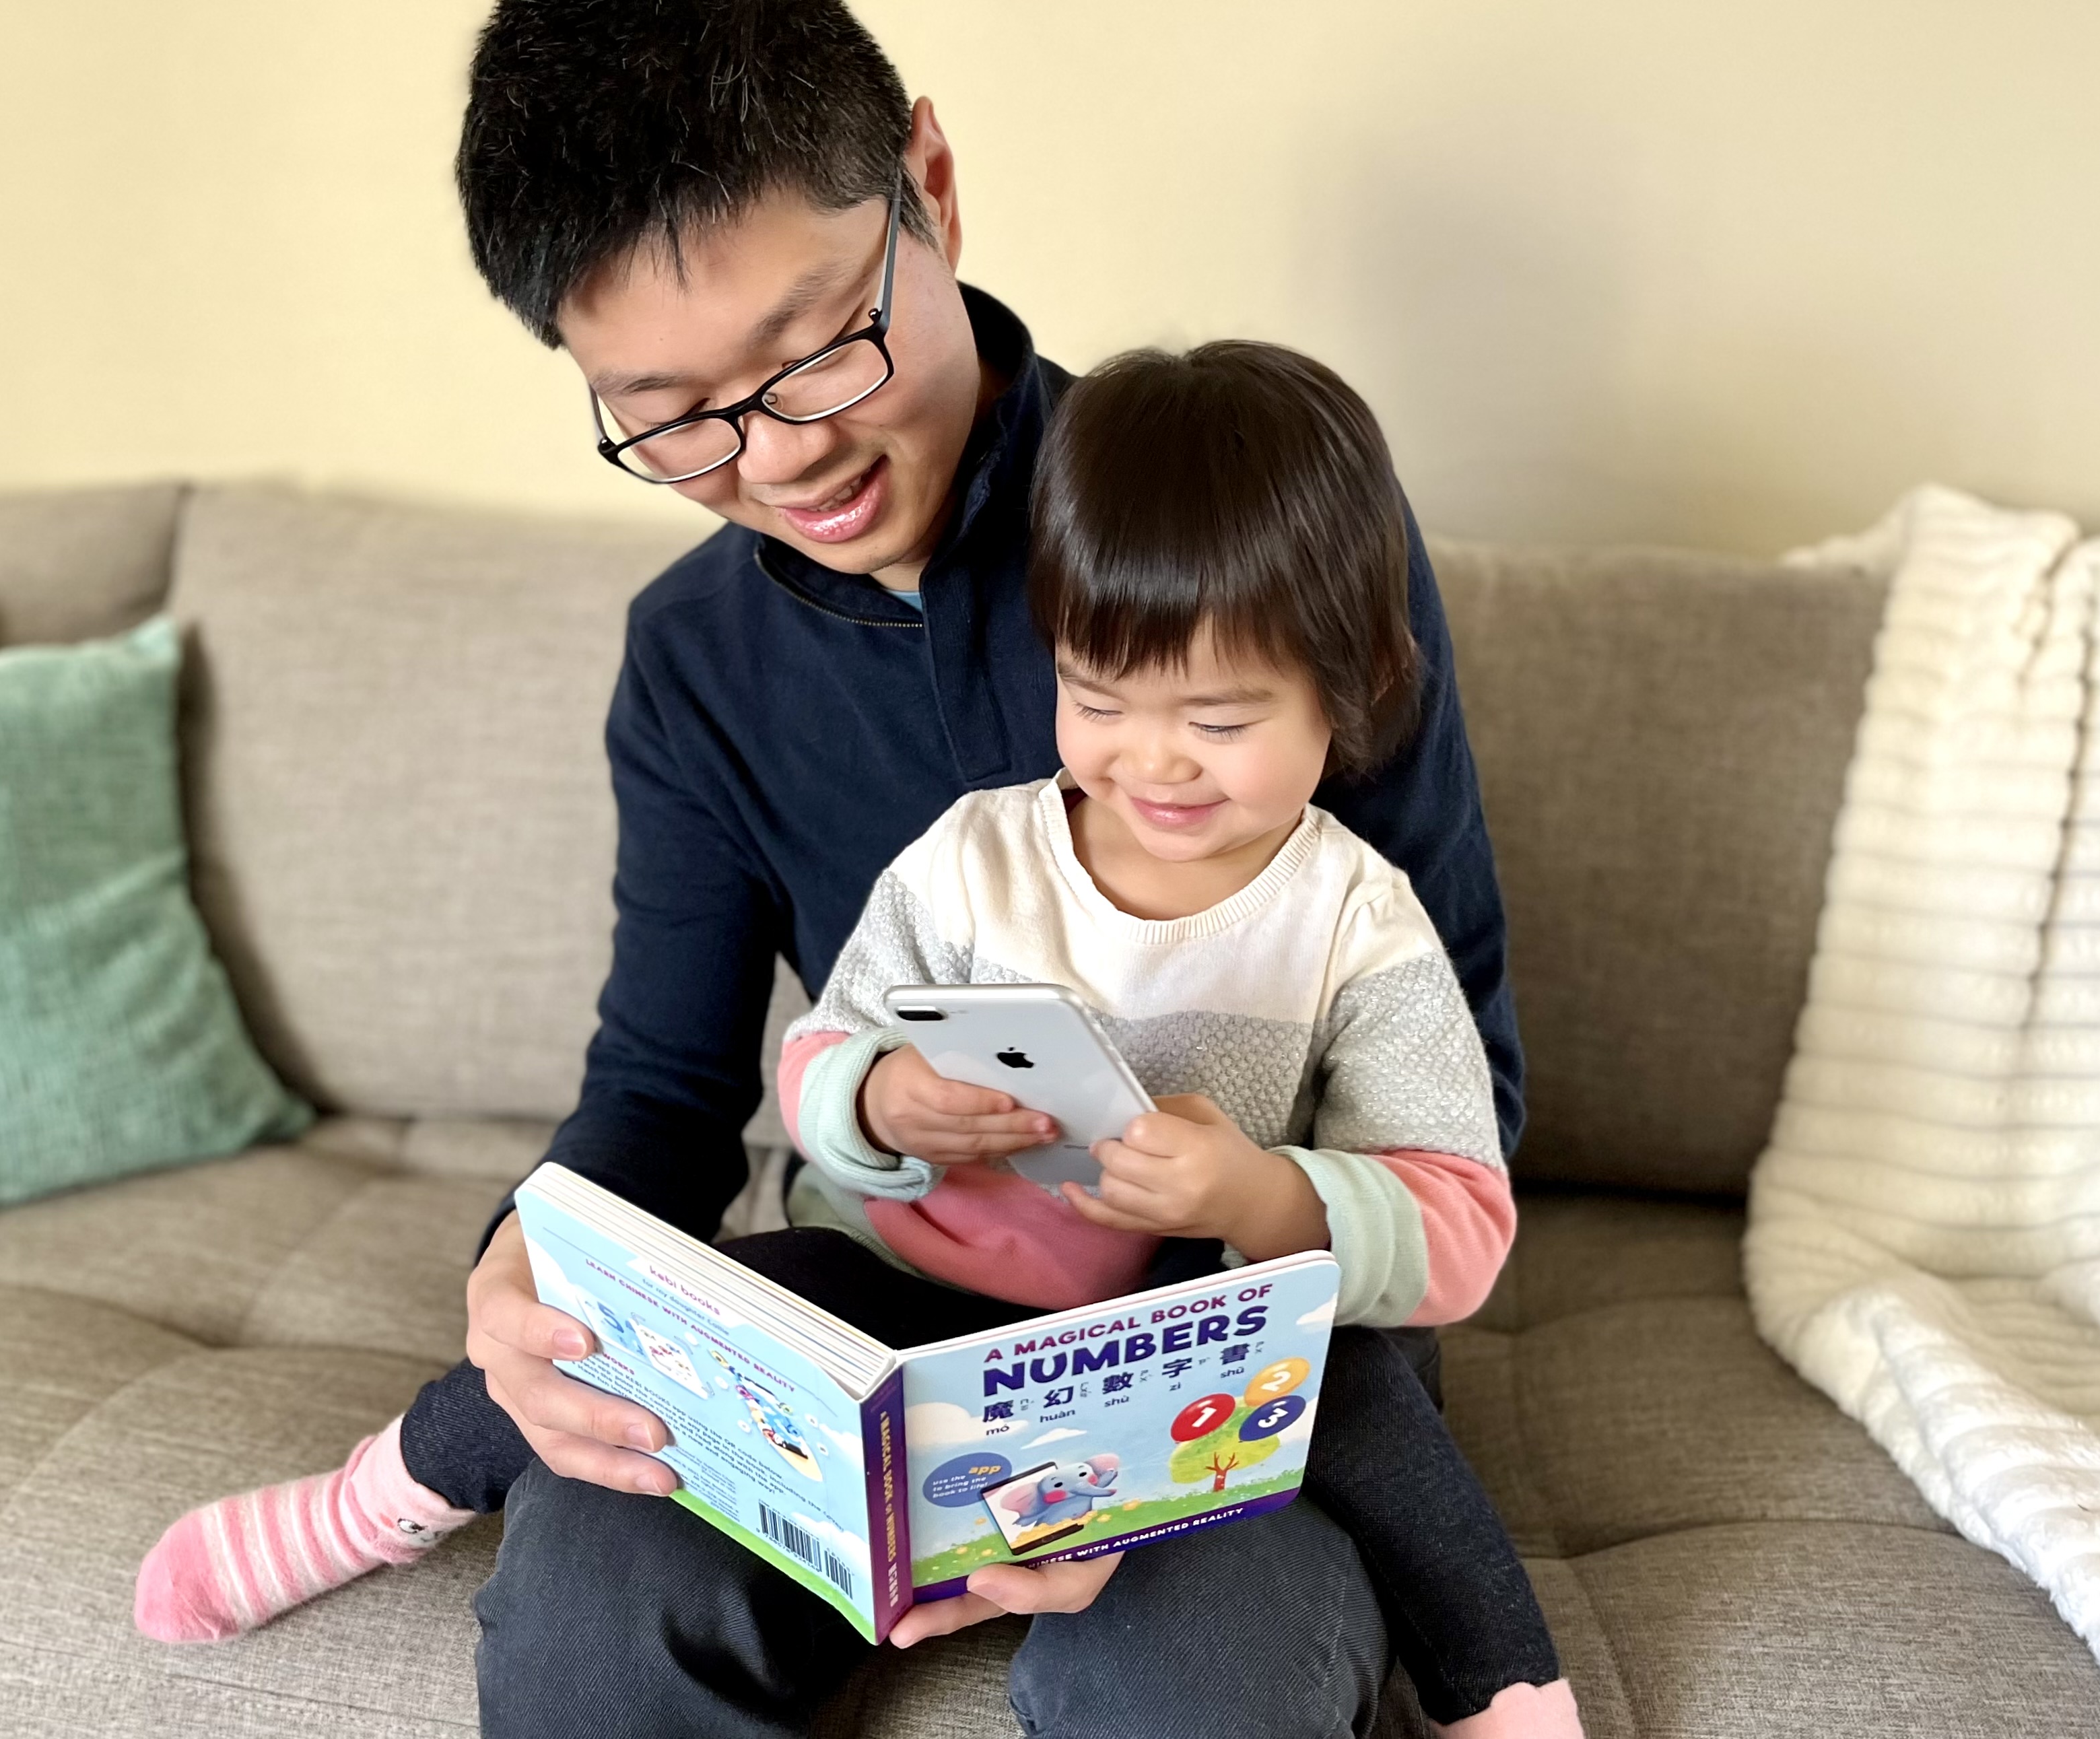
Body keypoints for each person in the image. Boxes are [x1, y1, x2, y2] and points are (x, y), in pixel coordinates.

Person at [138, 5, 1528, 1734]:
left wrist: (1134, 1409)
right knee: (593, 1595)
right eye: (675, 417)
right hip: (865, 1319)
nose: (781, 453)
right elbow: (662, 1089)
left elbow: (1458, 1077)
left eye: (812, 352)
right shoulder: (694, 660)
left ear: (928, 190)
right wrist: (527, 1267)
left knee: (1200, 1669)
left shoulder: (1239, 533)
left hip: (1227, 1349)